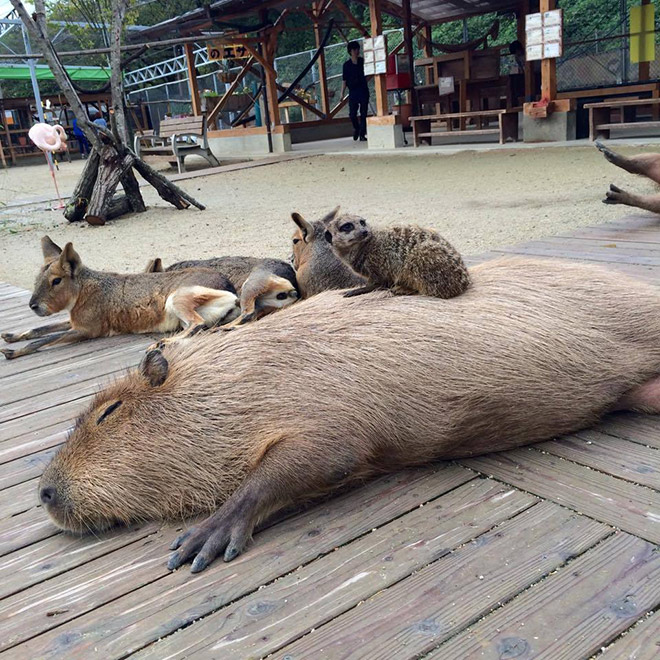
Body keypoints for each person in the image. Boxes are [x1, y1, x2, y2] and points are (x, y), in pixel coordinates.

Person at [341, 41, 369, 142]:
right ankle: (356, 128)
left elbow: (368, 73)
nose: (356, 51)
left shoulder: (362, 61)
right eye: (354, 49)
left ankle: (362, 134)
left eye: (357, 49)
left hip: (363, 89)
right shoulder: (346, 65)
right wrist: (342, 93)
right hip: (352, 91)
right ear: (350, 51)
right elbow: (344, 80)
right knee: (352, 114)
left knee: (363, 113)